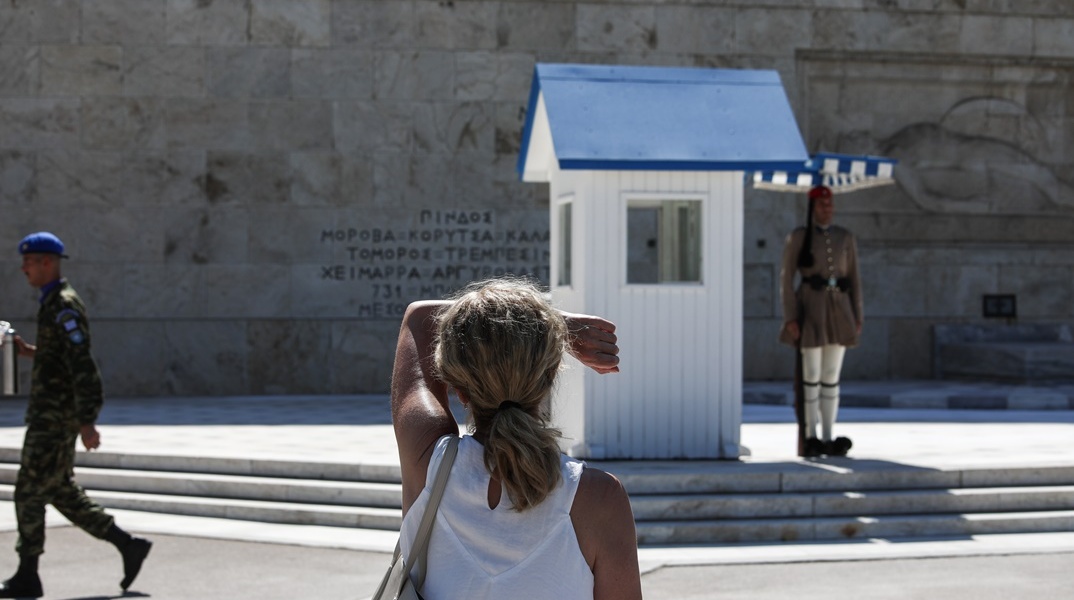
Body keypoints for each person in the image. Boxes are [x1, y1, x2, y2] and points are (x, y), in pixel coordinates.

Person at [390, 277, 642, 600]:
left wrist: (558, 326)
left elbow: (419, 319)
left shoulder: (426, 464)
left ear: (459, 391)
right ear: (549, 378)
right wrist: (543, 327)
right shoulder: (600, 501)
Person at [0, 232, 151, 599]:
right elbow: (59, 356)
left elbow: (82, 363)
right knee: (60, 491)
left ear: (48, 262)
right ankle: (127, 544)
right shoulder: (51, 302)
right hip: (50, 415)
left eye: (30, 261)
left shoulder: (63, 305)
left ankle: (27, 576)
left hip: (56, 418)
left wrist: (87, 420)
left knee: (28, 493)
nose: (24, 269)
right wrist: (28, 351)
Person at [778, 186, 863, 458]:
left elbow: (854, 279)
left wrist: (857, 315)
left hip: (838, 310)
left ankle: (828, 435)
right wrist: (791, 316)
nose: (827, 209)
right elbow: (786, 279)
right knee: (810, 376)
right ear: (812, 208)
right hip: (811, 308)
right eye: (821, 205)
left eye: (830, 205)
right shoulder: (800, 237)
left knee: (830, 377)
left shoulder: (844, 237)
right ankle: (810, 434)